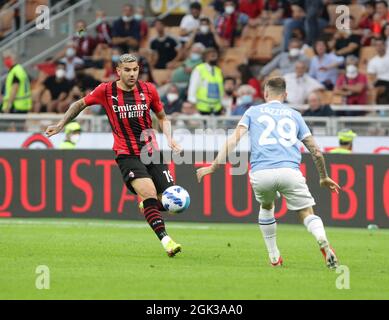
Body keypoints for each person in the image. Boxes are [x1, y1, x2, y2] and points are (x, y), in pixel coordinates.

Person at [45, 54, 183, 257]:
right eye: (127, 70)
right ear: (118, 71)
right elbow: (79, 104)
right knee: (148, 192)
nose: (132, 74)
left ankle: (147, 205)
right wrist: (60, 124)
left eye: (135, 69)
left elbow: (162, 117)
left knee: (173, 201)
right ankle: (166, 240)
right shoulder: (106, 90)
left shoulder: (149, 90)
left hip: (152, 152)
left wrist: (170, 138)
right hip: (126, 154)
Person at [197, 77, 340, 269]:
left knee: (266, 205)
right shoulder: (295, 115)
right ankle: (321, 239)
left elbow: (233, 140)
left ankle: (274, 256)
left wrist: (214, 165)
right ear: (286, 95)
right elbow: (315, 150)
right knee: (306, 212)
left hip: (261, 173)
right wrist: (323, 176)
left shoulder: (253, 111)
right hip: (290, 171)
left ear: (265, 93)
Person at [187, 48, 224, 115]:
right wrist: (192, 103)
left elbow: (220, 89)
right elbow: (193, 86)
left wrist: (221, 104)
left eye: (215, 56)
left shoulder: (218, 70)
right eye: (212, 56)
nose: (214, 58)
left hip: (217, 108)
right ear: (205, 57)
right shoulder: (199, 69)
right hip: (201, 107)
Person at [367, 37, 389, 105]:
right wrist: (370, 85)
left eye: (380, 45)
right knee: (374, 90)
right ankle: (374, 109)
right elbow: (371, 77)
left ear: (385, 46)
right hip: (381, 82)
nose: (379, 47)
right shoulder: (373, 61)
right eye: (376, 45)